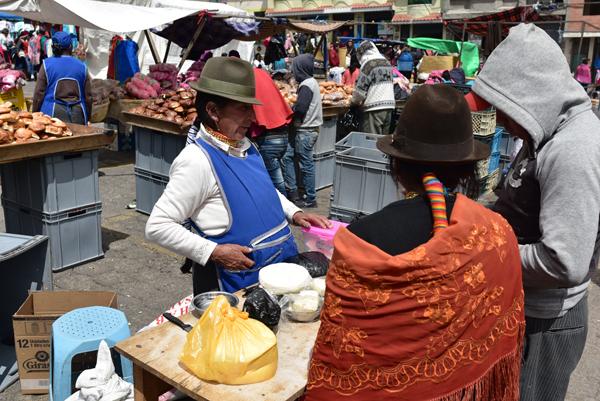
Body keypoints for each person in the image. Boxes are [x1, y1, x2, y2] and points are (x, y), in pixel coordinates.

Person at [306, 84, 525, 401]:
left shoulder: (362, 240)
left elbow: (342, 361)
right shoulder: (496, 231)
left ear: (396, 164)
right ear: (466, 167)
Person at [466, 23, 600, 401]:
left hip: (547, 322)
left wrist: (483, 254)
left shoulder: (573, 149)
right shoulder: (546, 132)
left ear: (530, 94)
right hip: (526, 306)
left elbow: (564, 262)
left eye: (505, 107)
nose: (501, 120)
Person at [145, 57, 329, 295]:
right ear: (213, 111)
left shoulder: (247, 146)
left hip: (278, 270)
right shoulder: (196, 160)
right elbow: (158, 225)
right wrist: (213, 252)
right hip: (237, 285)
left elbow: (264, 189)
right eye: (243, 108)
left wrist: (295, 213)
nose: (252, 117)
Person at [282, 54, 323, 208]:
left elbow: (300, 108)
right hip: (307, 130)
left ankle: (311, 198)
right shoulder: (311, 82)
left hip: (306, 131)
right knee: (288, 156)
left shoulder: (306, 85)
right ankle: (293, 190)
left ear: (301, 69)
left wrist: (291, 109)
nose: (294, 72)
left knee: (306, 164)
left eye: (295, 68)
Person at [32, 31, 92, 125]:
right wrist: (88, 116)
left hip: (52, 114)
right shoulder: (82, 66)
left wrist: (34, 113)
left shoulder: (46, 65)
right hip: (78, 114)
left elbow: (38, 94)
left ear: (53, 47)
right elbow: (88, 96)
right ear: (70, 47)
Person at [253, 67, 293, 194]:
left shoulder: (252, 79)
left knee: (276, 182)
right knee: (281, 176)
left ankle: (284, 205)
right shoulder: (264, 76)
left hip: (269, 138)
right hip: (283, 133)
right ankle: (293, 197)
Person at [350, 41, 395, 136]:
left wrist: (353, 102)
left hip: (374, 108)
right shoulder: (386, 62)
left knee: (371, 140)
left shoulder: (368, 64)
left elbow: (360, 92)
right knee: (383, 140)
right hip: (389, 106)